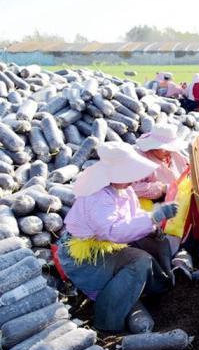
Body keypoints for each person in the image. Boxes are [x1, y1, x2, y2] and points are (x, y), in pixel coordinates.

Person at [55, 142, 180, 332]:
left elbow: (133, 216)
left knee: (146, 248)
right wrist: (153, 217)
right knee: (139, 261)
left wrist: (152, 225)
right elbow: (114, 231)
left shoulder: (124, 189)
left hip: (105, 244)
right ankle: (107, 322)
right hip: (86, 258)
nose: (131, 180)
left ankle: (158, 289)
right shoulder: (96, 197)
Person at [132, 123, 190, 201]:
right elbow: (132, 188)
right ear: (154, 147)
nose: (169, 151)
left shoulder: (173, 154)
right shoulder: (141, 160)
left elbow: (187, 167)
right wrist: (162, 188)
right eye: (164, 148)